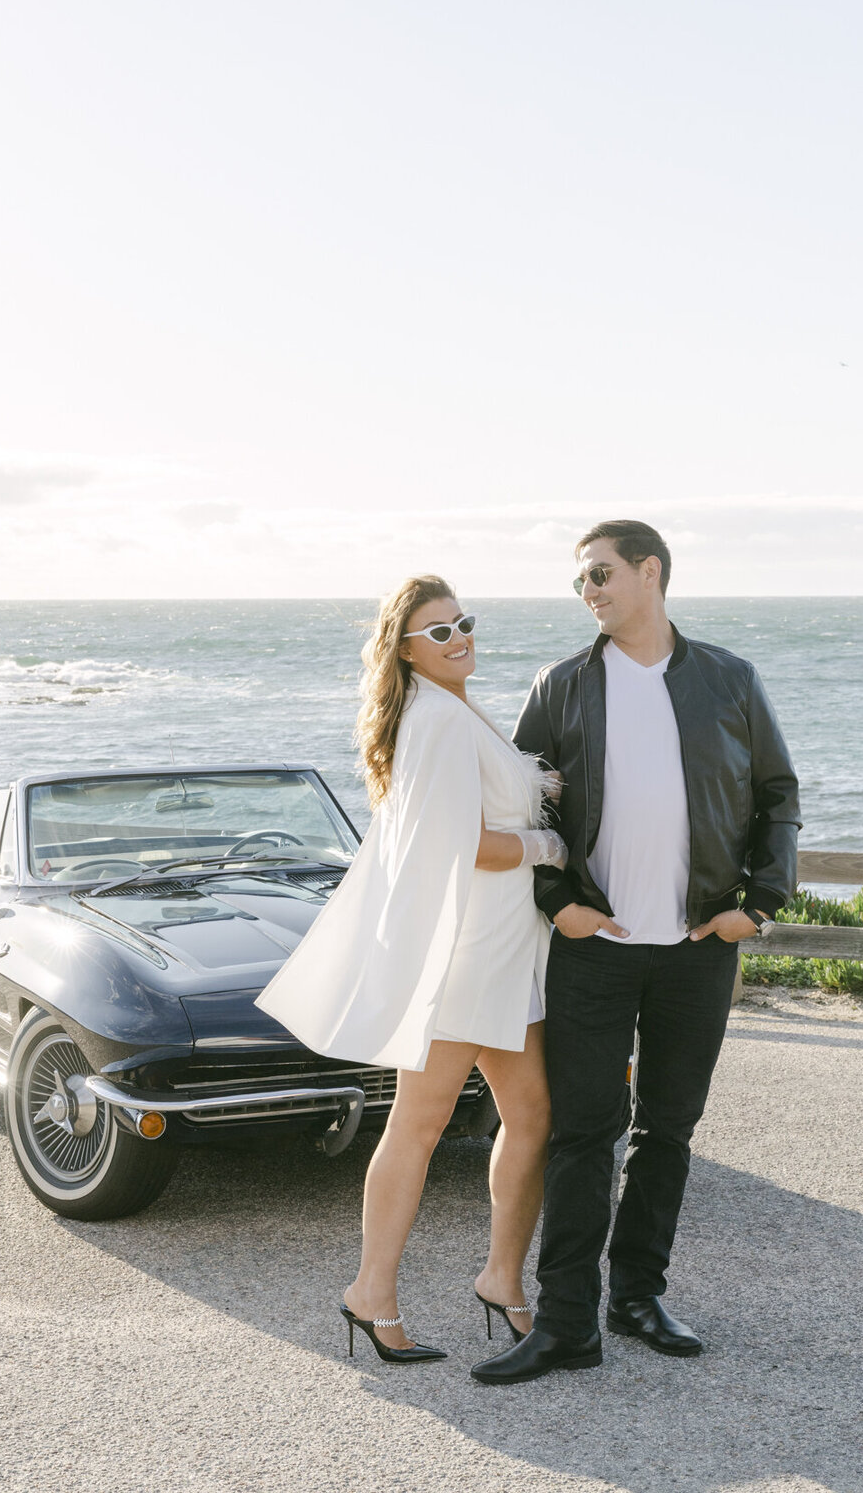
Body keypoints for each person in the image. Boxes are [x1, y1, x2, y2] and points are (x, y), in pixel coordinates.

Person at [472, 520, 800, 1386]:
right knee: (584, 1133)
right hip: (596, 950)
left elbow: (777, 794)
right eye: (581, 580)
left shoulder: (729, 679)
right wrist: (559, 902)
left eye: (601, 574)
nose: (589, 590)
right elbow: (523, 808)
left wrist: (757, 905)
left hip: (698, 949)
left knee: (669, 1130)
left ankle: (639, 1296)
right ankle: (568, 1321)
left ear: (650, 572)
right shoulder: (561, 685)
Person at [257, 575, 567, 1365]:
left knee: (531, 1118)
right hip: (468, 956)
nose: (459, 637)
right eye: (439, 631)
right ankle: (371, 1293)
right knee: (419, 1126)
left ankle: (503, 1278)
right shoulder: (434, 720)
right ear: (403, 648)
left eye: (463, 622)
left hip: (505, 949)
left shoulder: (454, 707)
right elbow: (460, 845)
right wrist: (549, 847)